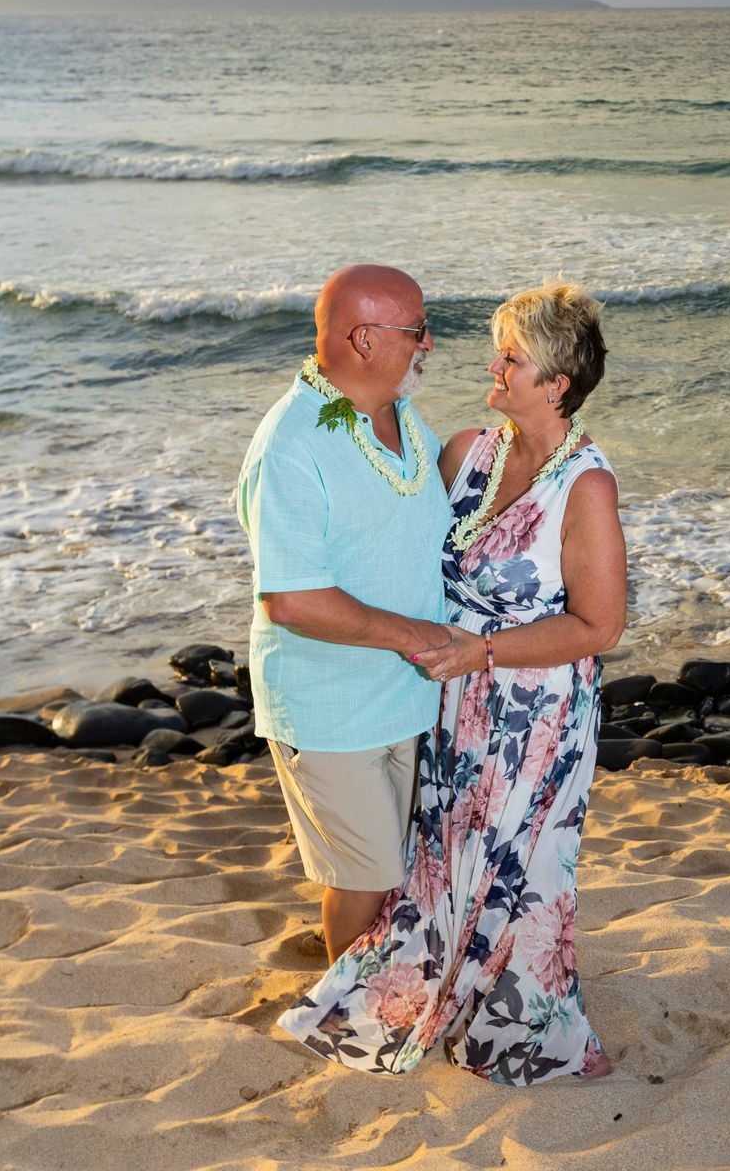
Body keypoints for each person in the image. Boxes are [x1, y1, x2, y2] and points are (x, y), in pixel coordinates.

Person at [278, 279, 625, 1086]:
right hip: (448, 701)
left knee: (516, 867)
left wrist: (486, 652)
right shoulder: (469, 448)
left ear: (557, 383)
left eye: (513, 358)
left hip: (531, 713)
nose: (493, 367)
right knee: (440, 852)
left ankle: (514, 1022)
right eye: (499, 352)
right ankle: (433, 994)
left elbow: (599, 628)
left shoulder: (586, 487)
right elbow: (398, 532)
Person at [236, 264, 454, 965]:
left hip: (404, 693)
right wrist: (415, 635)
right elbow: (293, 598)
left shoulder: (393, 413)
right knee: (365, 874)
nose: (429, 342)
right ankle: (348, 1010)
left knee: (391, 864)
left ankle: (377, 985)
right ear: (363, 338)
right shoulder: (294, 442)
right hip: (328, 699)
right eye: (416, 329)